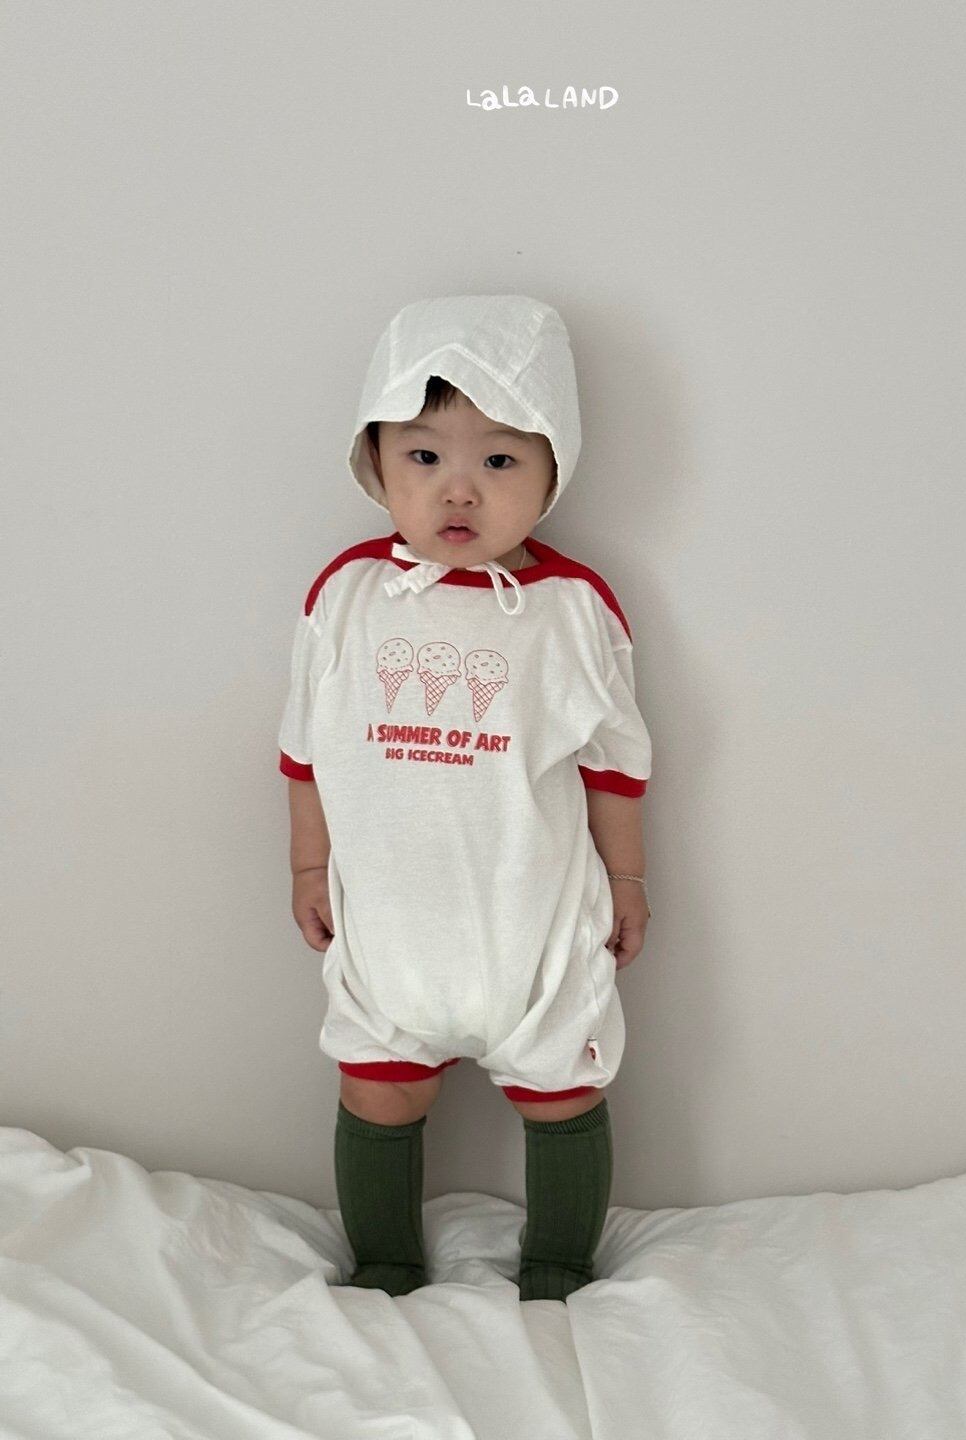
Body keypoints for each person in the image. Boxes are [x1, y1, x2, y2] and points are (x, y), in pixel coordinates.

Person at [277, 294, 653, 1301]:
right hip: (391, 924)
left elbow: (616, 766)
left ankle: (560, 1268)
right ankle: (386, 1260)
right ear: (376, 461)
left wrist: (626, 879)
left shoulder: (572, 611)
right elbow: (305, 752)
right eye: (424, 455)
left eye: (498, 459)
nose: (459, 489)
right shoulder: (345, 598)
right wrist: (309, 864)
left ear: (552, 469)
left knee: (563, 1091)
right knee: (377, 1089)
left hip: (534, 926)